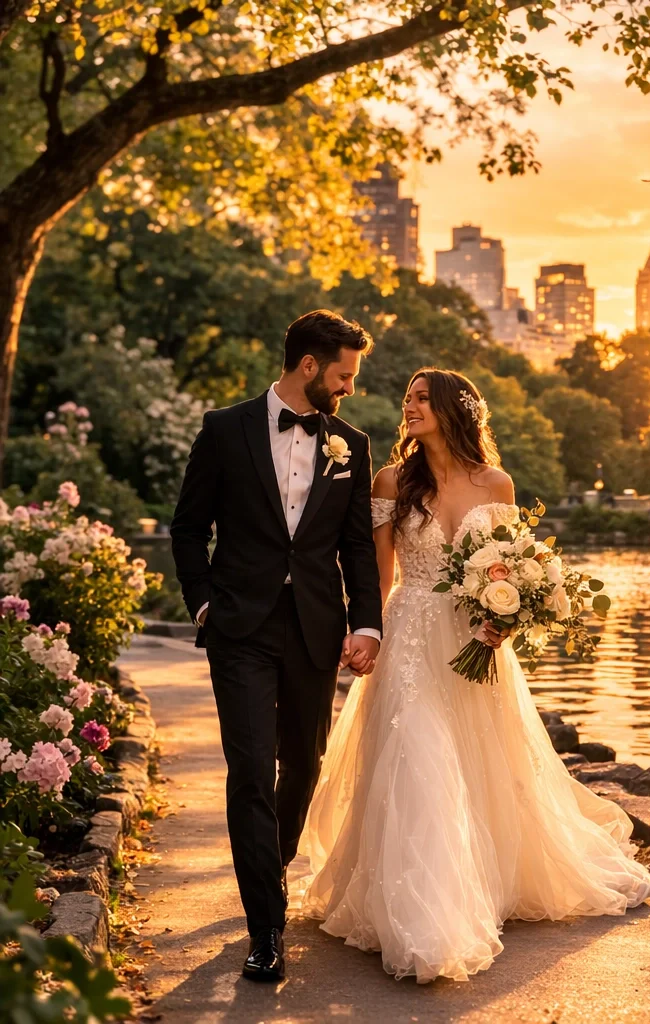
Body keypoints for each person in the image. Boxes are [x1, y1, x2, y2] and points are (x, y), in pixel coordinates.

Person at [298, 368, 650, 983]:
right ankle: (427, 917)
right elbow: (377, 573)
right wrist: (366, 632)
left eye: (420, 399)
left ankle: (482, 885)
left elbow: (509, 571)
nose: (408, 407)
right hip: (411, 634)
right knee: (418, 753)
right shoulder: (392, 479)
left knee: (479, 762)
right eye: (407, 397)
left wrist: (507, 620)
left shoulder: (497, 483)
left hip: (475, 640)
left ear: (452, 410)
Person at [170, 310, 383, 982]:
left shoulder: (352, 442)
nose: (350, 388)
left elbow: (355, 545)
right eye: (344, 375)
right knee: (251, 770)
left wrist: (367, 624)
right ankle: (266, 930)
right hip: (239, 628)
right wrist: (204, 603)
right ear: (310, 366)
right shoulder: (224, 430)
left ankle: (272, 864)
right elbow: (186, 528)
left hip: (315, 627)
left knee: (305, 763)